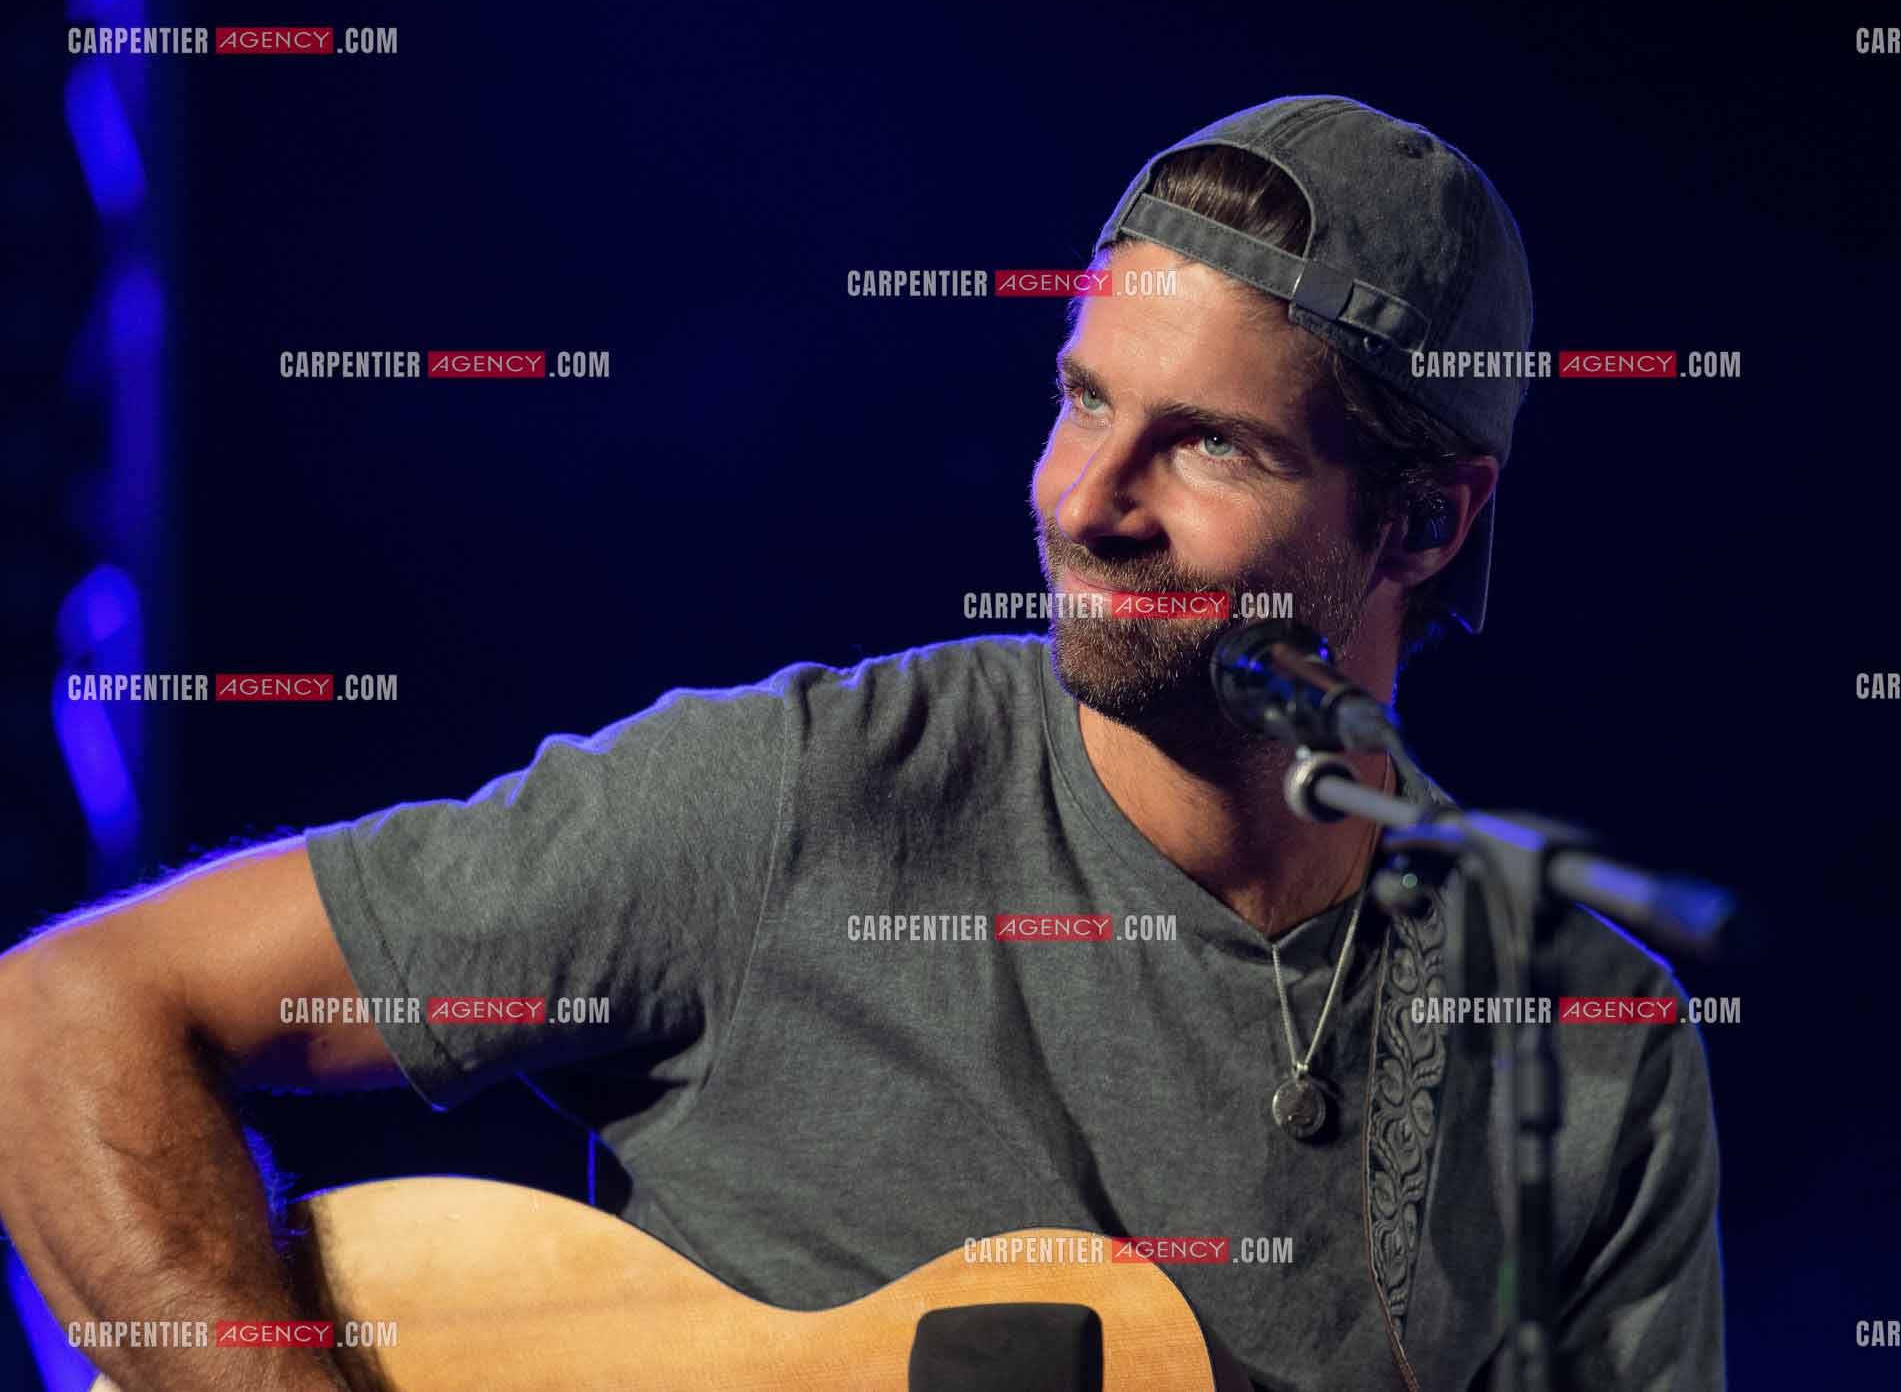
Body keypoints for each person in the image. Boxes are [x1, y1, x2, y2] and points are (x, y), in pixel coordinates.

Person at [0, 95, 1725, 1391]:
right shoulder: (804, 801)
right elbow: (57, 1018)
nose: (1084, 502)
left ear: (1421, 523)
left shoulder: (1587, 1055)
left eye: (1209, 445)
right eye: (1083, 399)